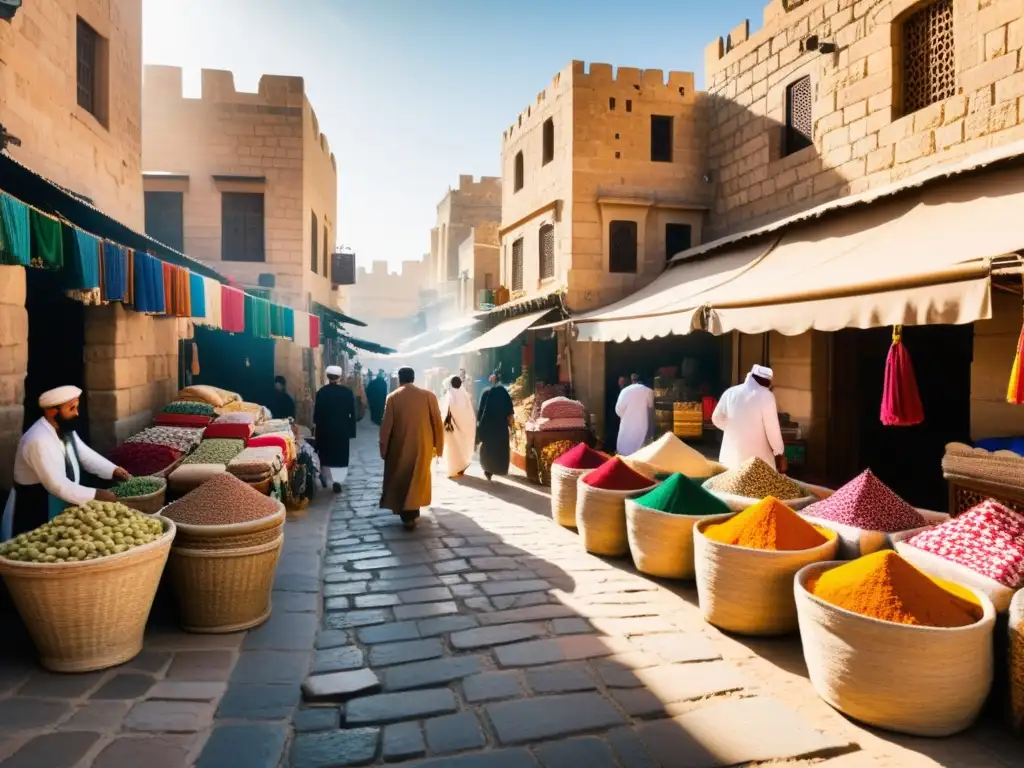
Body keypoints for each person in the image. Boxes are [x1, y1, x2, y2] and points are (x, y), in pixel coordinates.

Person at [1, 386, 130, 541]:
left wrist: (113, 470)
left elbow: (85, 455)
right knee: (34, 549)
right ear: (52, 411)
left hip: (58, 500)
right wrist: (95, 494)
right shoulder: (37, 440)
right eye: (71, 408)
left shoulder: (64, 431)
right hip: (35, 507)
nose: (77, 413)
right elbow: (57, 485)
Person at [379, 367, 444, 530]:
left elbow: (386, 426)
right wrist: (439, 446)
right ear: (414, 378)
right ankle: (412, 511)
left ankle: (406, 513)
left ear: (399, 380)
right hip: (424, 444)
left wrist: (383, 447)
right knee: (417, 477)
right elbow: (437, 423)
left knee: (402, 476)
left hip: (399, 445)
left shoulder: (393, 397)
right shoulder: (429, 396)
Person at [712, 364, 788, 472]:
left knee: (729, 486)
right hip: (757, 462)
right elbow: (772, 428)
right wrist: (779, 451)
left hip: (730, 460)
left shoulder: (730, 392)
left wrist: (735, 428)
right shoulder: (766, 395)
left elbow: (716, 418)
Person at [314, 365, 357, 493]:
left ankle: (325, 478)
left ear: (327, 376)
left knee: (326, 455)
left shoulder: (321, 392)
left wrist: (317, 426)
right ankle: (337, 482)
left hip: (325, 430)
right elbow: (352, 414)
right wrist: (351, 431)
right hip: (342, 430)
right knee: (340, 457)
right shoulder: (347, 393)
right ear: (340, 377)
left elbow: (317, 414)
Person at [476, 373, 514, 480]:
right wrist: (510, 424)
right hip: (500, 426)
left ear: (491, 380)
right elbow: (510, 412)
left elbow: (480, 411)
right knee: (499, 447)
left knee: (488, 447)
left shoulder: (486, 392)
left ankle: (488, 469)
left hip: (488, 425)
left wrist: (480, 423)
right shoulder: (503, 392)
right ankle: (498, 468)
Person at [439, 375, 476, 478]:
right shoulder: (465, 395)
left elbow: (445, 412)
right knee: (462, 445)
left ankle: (454, 468)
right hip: (465, 426)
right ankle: (462, 465)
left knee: (452, 448)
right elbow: (470, 413)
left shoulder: (450, 395)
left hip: (451, 427)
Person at [614, 374, 655, 456]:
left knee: (626, 455)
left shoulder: (625, 391)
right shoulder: (650, 391)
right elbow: (652, 409)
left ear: (631, 380)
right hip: (643, 429)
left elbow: (618, 410)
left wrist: (627, 416)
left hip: (627, 429)